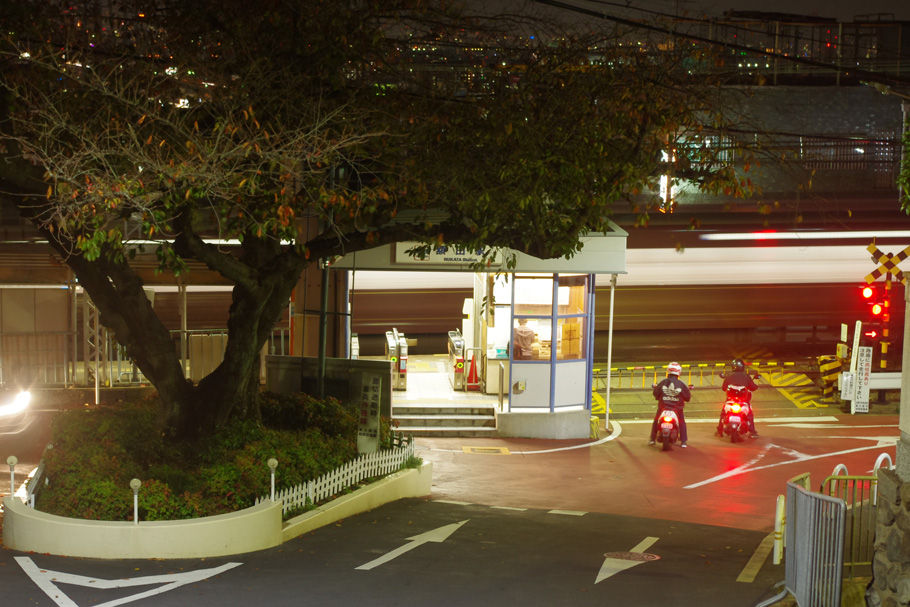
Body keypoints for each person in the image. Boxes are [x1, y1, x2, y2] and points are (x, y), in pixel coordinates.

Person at [649, 362, 691, 447]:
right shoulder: (681, 384)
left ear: (668, 370)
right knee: (682, 422)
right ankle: (683, 441)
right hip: (677, 409)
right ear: (679, 372)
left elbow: (655, 393)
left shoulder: (663, 382)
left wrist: (660, 398)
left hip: (663, 408)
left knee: (656, 420)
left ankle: (652, 439)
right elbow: (687, 397)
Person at [718, 358, 759, 438]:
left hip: (731, 400)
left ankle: (719, 429)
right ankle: (752, 431)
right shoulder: (746, 376)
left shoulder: (729, 376)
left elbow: (723, 388)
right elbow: (753, 387)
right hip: (743, 401)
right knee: (749, 414)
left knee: (723, 413)